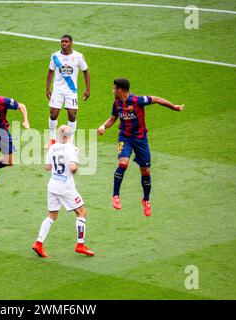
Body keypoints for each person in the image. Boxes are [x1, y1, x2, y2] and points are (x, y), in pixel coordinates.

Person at [97, 78, 184, 217]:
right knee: (123, 163)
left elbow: (156, 99)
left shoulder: (137, 100)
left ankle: (146, 199)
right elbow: (112, 119)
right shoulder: (117, 103)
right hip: (124, 137)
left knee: (145, 171)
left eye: (114, 88)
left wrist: (173, 107)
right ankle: (115, 196)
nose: (113, 91)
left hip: (140, 139)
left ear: (120, 90)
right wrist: (103, 126)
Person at [32, 125, 94, 258]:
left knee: (52, 216)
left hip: (53, 185)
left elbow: (47, 167)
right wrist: (76, 165)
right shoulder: (72, 148)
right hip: (66, 187)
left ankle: (39, 243)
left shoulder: (52, 147)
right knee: (82, 212)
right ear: (68, 136)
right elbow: (72, 168)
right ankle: (80, 245)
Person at [46, 34, 90, 147]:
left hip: (71, 90)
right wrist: (48, 88)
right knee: (53, 114)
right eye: (62, 41)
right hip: (58, 90)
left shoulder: (78, 56)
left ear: (71, 43)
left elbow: (85, 71)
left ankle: (70, 141)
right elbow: (50, 71)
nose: (64, 43)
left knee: (72, 115)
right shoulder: (55, 56)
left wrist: (87, 89)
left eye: (66, 42)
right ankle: (52, 139)